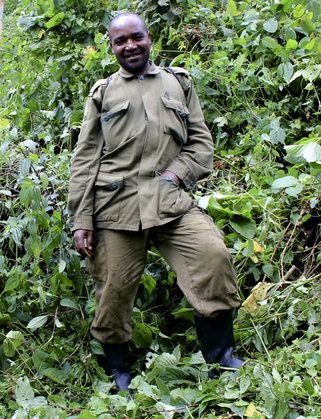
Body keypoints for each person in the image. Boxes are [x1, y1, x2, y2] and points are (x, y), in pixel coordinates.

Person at [68, 12, 244, 393]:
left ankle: (221, 355)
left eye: (136, 38)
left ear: (149, 38)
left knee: (212, 256)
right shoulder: (102, 93)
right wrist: (82, 218)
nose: (129, 46)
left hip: (171, 203)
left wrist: (175, 175)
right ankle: (119, 370)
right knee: (114, 287)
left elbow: (200, 143)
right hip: (116, 208)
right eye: (120, 41)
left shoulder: (178, 83)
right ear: (111, 47)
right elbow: (85, 159)